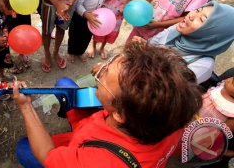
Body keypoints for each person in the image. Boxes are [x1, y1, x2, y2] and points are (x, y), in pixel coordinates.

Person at [13, 42, 203, 167]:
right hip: (98, 129)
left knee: (23, 148)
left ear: (120, 113)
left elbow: (46, 155)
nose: (98, 70)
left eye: (104, 75)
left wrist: (25, 107)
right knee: (64, 85)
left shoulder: (98, 162)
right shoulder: (173, 113)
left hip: (88, 148)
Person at [142, 1, 234, 84]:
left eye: (202, 19)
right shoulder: (178, 28)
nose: (191, 16)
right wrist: (143, 46)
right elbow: (152, 43)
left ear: (212, 34)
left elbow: (165, 89)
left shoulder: (202, 66)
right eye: (198, 10)